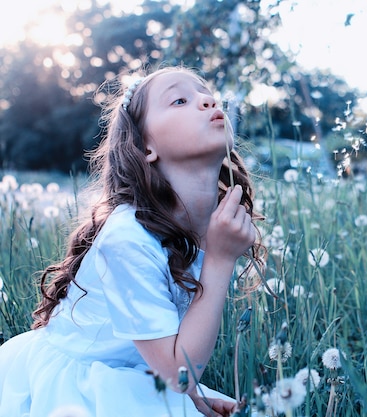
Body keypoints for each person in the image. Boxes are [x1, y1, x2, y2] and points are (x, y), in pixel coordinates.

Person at [0, 65, 265, 417]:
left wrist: (191, 396)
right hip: (78, 384)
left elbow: (168, 354)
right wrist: (219, 260)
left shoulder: (209, 221)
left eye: (206, 94)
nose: (206, 100)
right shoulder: (128, 237)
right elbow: (179, 374)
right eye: (180, 99)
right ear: (147, 148)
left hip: (144, 369)